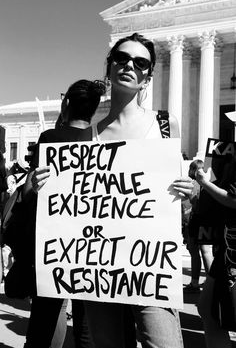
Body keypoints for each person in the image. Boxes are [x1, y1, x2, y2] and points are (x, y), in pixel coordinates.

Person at [28, 33, 193, 348]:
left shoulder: (165, 124)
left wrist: (192, 189)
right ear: (109, 67)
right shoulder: (90, 136)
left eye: (140, 62)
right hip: (99, 270)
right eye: (122, 58)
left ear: (148, 76)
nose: (130, 65)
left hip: (150, 265)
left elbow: (176, 194)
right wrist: (42, 188)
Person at [22, 79, 107, 348]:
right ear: (94, 109)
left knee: (46, 312)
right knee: (86, 317)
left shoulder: (49, 139)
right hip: (92, 242)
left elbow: (30, 191)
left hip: (54, 243)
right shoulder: (103, 141)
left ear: (66, 103)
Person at [195, 157, 236, 348]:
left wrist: (203, 182)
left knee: (209, 310)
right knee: (207, 309)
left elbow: (233, 200)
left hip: (232, 254)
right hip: (226, 249)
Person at [184, 159, 214, 293]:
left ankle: (195, 283)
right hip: (206, 221)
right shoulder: (208, 184)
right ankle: (212, 283)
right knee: (206, 252)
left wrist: (191, 197)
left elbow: (194, 206)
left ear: (193, 170)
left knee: (195, 253)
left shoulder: (191, 184)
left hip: (195, 222)